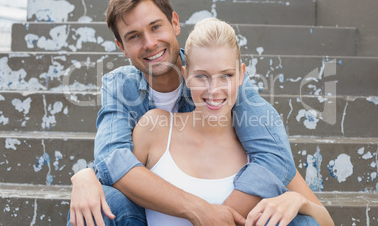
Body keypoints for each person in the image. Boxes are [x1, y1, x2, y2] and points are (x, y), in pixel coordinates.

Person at [66, 0, 327, 225]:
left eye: (156, 27)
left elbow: (274, 158)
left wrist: (222, 217)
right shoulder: (121, 87)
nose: (150, 43)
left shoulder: (227, 85)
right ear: (121, 47)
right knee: (101, 203)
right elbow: (113, 160)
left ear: (175, 23)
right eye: (134, 36)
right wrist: (84, 176)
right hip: (150, 206)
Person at [132, 17, 334, 226]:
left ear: (241, 75)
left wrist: (298, 200)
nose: (214, 89)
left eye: (226, 75)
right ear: (185, 76)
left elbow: (327, 223)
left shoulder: (260, 150)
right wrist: (93, 176)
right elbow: (115, 184)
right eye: (202, 76)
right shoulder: (155, 128)